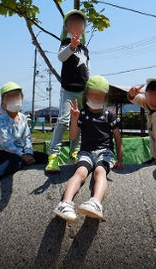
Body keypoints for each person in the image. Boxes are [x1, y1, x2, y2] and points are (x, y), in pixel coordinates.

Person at [53, 75, 123, 223]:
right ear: (86, 94)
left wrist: (120, 158)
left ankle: (96, 202)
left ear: (105, 97)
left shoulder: (110, 115)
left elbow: (117, 137)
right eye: (93, 94)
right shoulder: (82, 114)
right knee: (80, 172)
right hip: (86, 153)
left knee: (100, 171)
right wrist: (74, 118)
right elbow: (73, 136)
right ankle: (65, 204)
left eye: (100, 95)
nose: (96, 98)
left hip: (105, 153)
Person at [0, 82, 48, 198]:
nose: (14, 99)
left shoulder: (23, 118)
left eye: (17, 96)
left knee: (45, 157)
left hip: (22, 152)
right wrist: (22, 155)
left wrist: (28, 152)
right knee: (16, 161)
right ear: (2, 102)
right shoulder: (1, 119)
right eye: (10, 97)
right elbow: (5, 143)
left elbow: (27, 138)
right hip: (4, 152)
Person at [45, 10, 90, 172]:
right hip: (68, 89)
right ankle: (53, 155)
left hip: (83, 91)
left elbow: (88, 69)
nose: (77, 26)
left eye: (80, 24)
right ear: (66, 27)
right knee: (63, 121)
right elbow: (61, 57)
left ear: (84, 28)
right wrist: (71, 46)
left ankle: (75, 152)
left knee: (78, 122)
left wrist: (90, 86)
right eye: (73, 23)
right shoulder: (66, 43)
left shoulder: (85, 49)